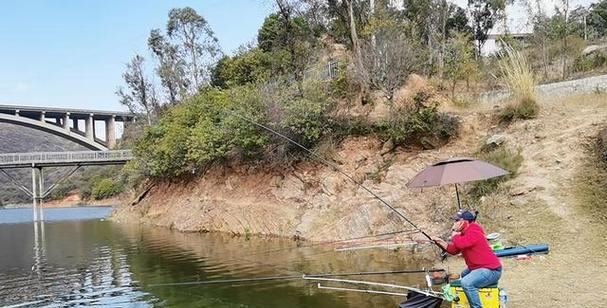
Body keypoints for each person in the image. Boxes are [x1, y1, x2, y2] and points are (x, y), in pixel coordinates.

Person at [432, 210, 502, 308]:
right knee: (464, 275)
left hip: (491, 270)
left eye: (457, 220)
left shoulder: (475, 231)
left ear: (465, 222)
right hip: (479, 268)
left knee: (467, 283)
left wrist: (454, 234)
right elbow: (453, 250)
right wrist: (439, 241)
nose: (454, 223)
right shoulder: (464, 234)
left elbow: (461, 243)